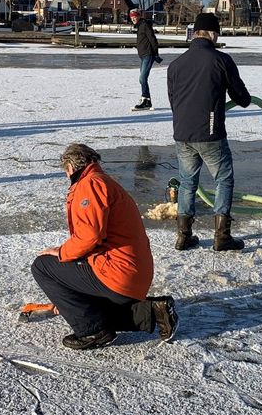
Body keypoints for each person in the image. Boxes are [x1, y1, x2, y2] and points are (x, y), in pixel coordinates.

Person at [30, 144, 178, 350]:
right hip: (130, 272)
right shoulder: (103, 181)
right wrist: (68, 302)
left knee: (43, 266)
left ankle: (92, 331)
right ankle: (153, 313)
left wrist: (62, 252)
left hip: (118, 272)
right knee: (78, 297)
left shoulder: (89, 184)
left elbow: (89, 236)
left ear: (71, 167)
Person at [166, 13, 251, 252]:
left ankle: (184, 236)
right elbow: (241, 97)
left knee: (187, 182)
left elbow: (174, 101)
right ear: (212, 33)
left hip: (182, 133)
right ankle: (222, 236)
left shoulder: (176, 65)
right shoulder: (221, 60)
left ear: (195, 33)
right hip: (210, 133)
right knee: (223, 179)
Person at [130, 8, 162, 111]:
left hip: (149, 55)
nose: (133, 18)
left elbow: (152, 38)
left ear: (139, 16)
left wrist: (156, 53)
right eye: (132, 16)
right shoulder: (139, 26)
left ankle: (145, 100)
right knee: (143, 79)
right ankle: (146, 100)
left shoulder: (144, 25)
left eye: (135, 15)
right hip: (144, 56)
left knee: (142, 78)